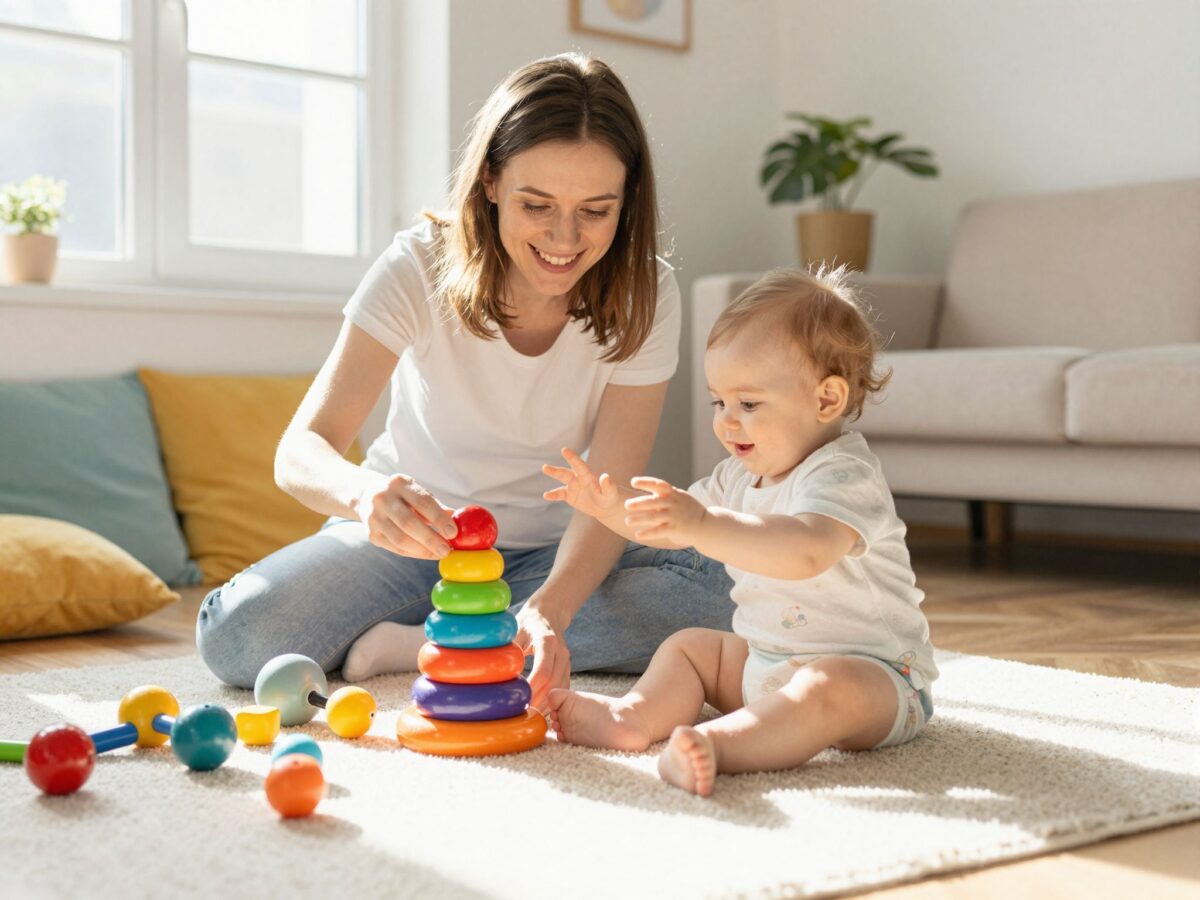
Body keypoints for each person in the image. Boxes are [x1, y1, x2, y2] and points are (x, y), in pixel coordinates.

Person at [194, 53, 735, 708]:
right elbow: (302, 449)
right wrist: (364, 497)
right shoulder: (418, 265)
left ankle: (425, 642)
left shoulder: (647, 290)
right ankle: (478, 635)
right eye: (537, 205)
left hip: (554, 555)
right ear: (490, 182)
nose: (565, 238)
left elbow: (610, 489)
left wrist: (553, 610)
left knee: (726, 600)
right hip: (411, 545)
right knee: (239, 633)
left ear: (628, 200)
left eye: (595, 210)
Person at [542, 267, 937, 796]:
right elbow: (669, 530)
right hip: (763, 662)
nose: (727, 422)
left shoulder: (843, 473)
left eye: (748, 404)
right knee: (689, 647)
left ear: (826, 399)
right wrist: (610, 506)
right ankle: (632, 717)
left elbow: (805, 551)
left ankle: (719, 746)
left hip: (878, 680)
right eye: (719, 402)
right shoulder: (737, 476)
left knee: (826, 686)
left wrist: (705, 524)